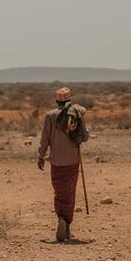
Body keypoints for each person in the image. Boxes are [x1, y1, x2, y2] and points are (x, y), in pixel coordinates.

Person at [38, 87, 89, 241]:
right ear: (69, 100)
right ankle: (66, 223)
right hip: (73, 161)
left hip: (56, 162)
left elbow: (44, 140)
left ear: (57, 101)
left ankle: (61, 217)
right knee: (70, 193)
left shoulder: (50, 116)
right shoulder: (77, 114)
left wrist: (41, 156)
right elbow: (85, 136)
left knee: (59, 192)